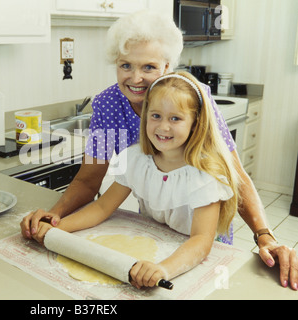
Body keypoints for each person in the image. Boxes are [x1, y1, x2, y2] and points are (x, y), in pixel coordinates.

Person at [20, 10, 298, 290]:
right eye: (125, 65)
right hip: (155, 234)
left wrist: (264, 235)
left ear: (167, 67)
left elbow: (234, 176)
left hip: (199, 247)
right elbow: (89, 179)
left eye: (148, 67)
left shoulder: (195, 98)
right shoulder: (109, 108)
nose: (135, 78)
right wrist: (53, 219)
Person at [29, 72, 240, 288]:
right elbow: (102, 207)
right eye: (155, 116)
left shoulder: (205, 174)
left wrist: (164, 269)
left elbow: (201, 241)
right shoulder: (136, 159)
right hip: (163, 242)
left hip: (193, 259)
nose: (163, 127)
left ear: (195, 123)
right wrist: (58, 229)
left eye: (175, 118)